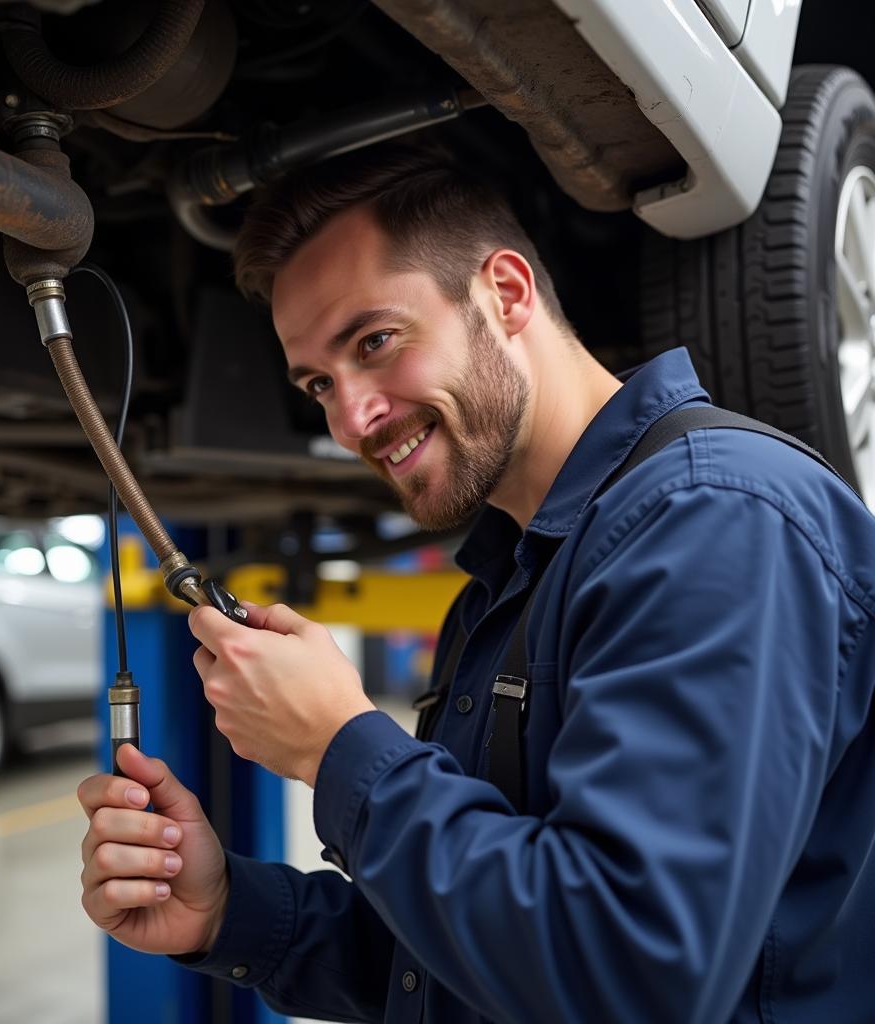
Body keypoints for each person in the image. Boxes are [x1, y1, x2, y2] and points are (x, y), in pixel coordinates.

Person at [77, 145, 875, 1022]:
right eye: (318, 385)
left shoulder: (717, 520)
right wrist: (226, 909)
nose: (351, 420)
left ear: (505, 292)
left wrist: (339, 745)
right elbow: (466, 961)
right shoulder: (502, 589)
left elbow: (630, 976)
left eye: (375, 342)